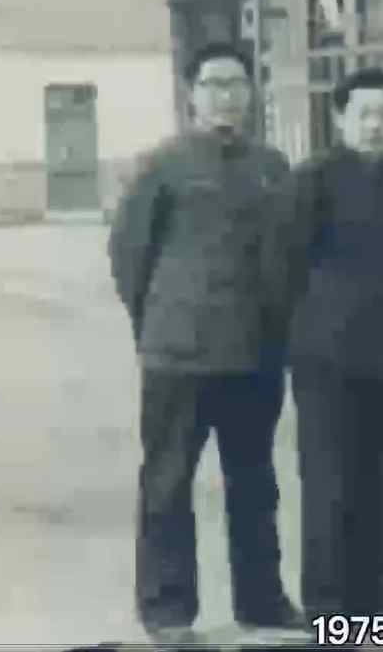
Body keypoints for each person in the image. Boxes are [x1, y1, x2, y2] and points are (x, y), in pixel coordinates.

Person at [107, 42, 302, 645]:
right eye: (214, 84)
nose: (226, 96)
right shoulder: (162, 166)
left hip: (255, 353)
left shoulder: (272, 167)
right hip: (180, 356)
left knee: (255, 482)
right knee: (168, 484)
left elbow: (288, 257)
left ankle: (262, 601)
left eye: (236, 84)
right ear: (191, 93)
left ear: (252, 93)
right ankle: (167, 610)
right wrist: (158, 325)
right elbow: (130, 256)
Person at [269, 67, 383, 622]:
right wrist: (303, 336)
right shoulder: (311, 180)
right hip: (326, 360)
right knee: (329, 482)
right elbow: (281, 268)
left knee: (381, 480)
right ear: (340, 118)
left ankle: (378, 595)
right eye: (364, 114)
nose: (375, 125)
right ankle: (329, 604)